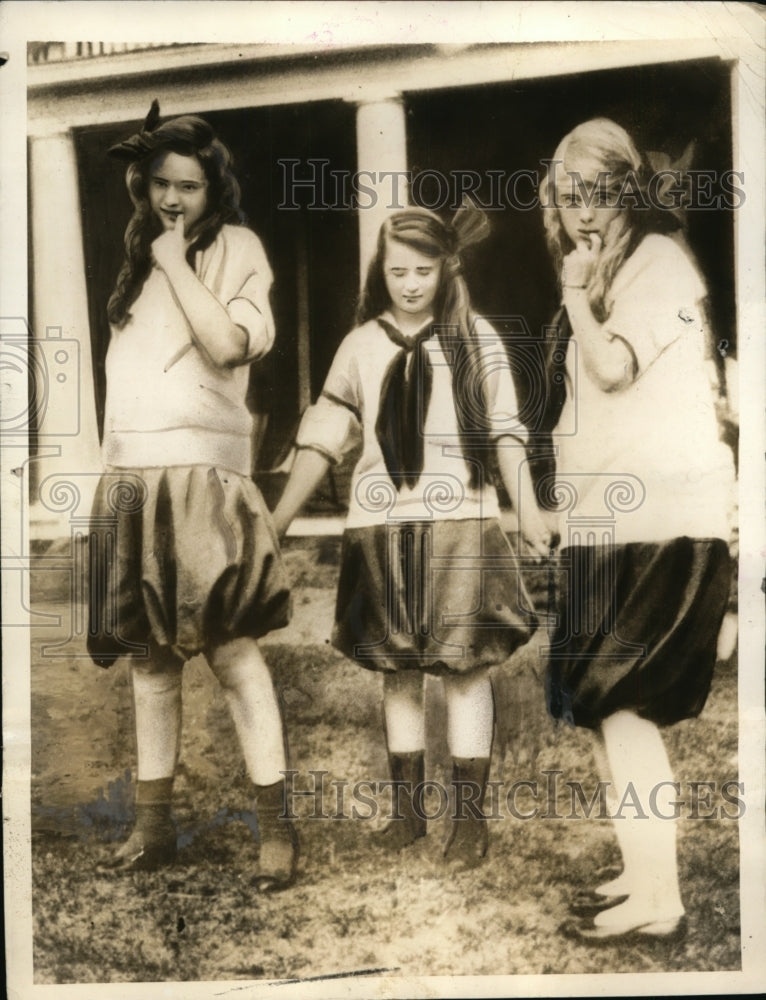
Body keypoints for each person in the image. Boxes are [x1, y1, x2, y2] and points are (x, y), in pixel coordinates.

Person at [272, 203, 550, 866]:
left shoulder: (473, 337)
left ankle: (470, 823)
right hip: (382, 525)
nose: (411, 284)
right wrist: (278, 517)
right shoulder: (361, 345)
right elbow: (324, 438)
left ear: (447, 267)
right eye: (397, 270)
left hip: (461, 524)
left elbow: (507, 431)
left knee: (463, 670)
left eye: (424, 270)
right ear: (381, 270)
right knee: (396, 670)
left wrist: (531, 507)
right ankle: (407, 814)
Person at [87, 101, 297, 891]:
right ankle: (154, 830)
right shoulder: (135, 257)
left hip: (204, 478)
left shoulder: (236, 249)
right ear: (145, 187)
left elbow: (229, 343)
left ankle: (277, 830)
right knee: (148, 657)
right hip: (134, 478)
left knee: (232, 651)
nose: (174, 200)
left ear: (215, 192)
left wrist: (177, 261)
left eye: (191, 187)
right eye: (162, 185)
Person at [539, 118, 735, 942]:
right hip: (612, 523)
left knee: (625, 710)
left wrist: (574, 297)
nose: (584, 211)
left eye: (600, 191)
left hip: (663, 524)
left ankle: (662, 902)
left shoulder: (657, 263)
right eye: (569, 194)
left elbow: (612, 368)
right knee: (601, 710)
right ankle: (642, 875)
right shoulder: (609, 266)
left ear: (628, 188)